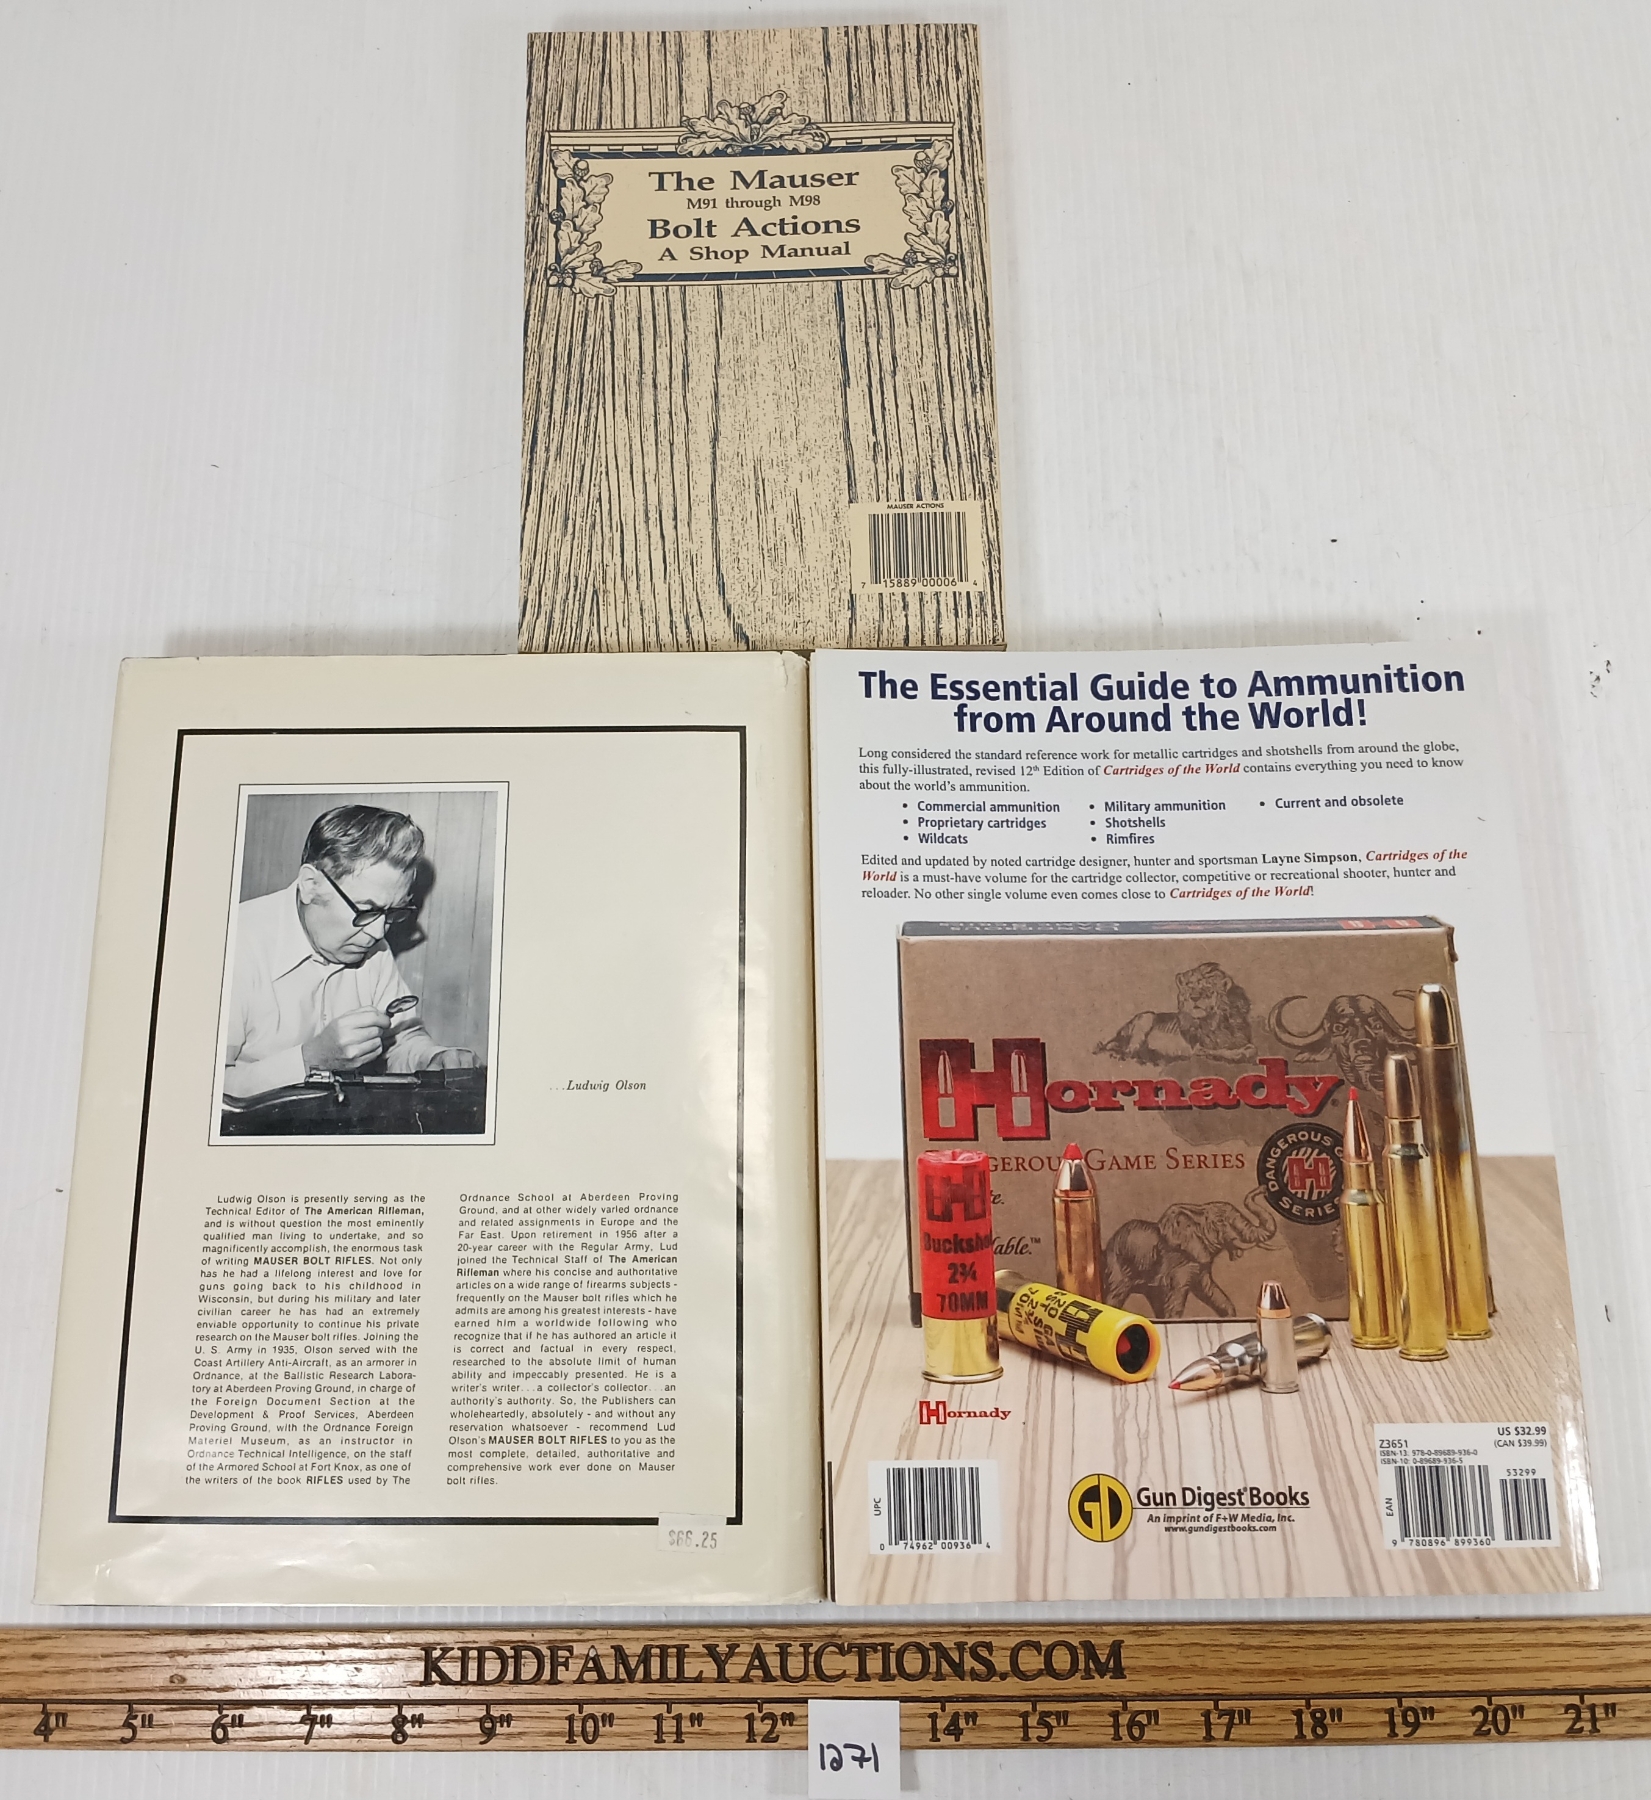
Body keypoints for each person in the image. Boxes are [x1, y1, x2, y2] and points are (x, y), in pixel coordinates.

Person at [222, 804, 480, 1099]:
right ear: (311, 885)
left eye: (393, 912)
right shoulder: (232, 945)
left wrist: (431, 1058)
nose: (379, 933)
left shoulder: (372, 947)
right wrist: (309, 1060)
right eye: (366, 911)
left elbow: (399, 1040)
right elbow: (201, 1091)